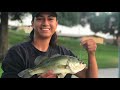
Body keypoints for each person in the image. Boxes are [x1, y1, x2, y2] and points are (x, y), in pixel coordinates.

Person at [1, 12, 98, 78]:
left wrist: (91, 54)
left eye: (50, 19)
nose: (45, 23)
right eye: (40, 19)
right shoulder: (17, 53)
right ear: (32, 23)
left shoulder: (66, 54)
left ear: (56, 24)